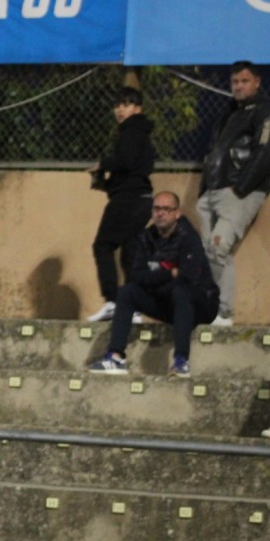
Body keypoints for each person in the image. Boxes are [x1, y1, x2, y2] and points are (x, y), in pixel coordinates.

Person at [88, 191, 219, 378]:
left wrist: (157, 278)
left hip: (202, 305)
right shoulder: (146, 238)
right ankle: (115, 358)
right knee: (127, 292)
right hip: (169, 302)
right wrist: (169, 273)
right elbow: (137, 276)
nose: (160, 213)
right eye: (157, 208)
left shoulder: (188, 237)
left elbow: (188, 278)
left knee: (181, 291)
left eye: (166, 209)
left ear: (177, 213)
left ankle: (181, 361)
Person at [196, 61, 270, 327]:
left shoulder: (264, 110)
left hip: (238, 191)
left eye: (244, 81)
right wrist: (204, 191)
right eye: (235, 81)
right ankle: (213, 308)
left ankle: (224, 312)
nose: (238, 86)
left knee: (218, 247)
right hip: (212, 191)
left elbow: (266, 151)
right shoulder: (230, 112)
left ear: (257, 82)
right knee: (208, 252)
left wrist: (241, 187)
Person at [85, 87, 155, 322]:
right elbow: (131, 169)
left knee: (102, 246)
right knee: (130, 252)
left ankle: (113, 301)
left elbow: (124, 161)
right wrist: (106, 184)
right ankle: (132, 306)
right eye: (117, 105)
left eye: (126, 105)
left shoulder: (132, 131)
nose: (120, 110)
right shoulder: (138, 133)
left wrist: (102, 164)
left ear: (138, 109)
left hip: (129, 200)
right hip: (140, 198)